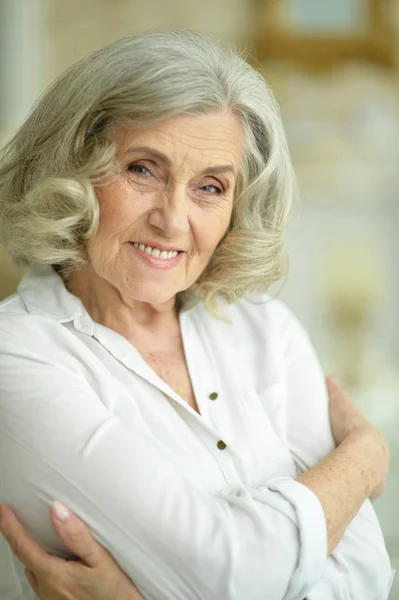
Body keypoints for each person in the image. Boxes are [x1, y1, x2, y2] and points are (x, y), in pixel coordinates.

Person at [0, 30, 393, 600]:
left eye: (210, 187)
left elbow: (366, 579)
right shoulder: (16, 355)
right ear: (74, 166)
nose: (172, 220)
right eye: (142, 170)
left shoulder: (266, 330)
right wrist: (362, 460)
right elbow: (227, 576)